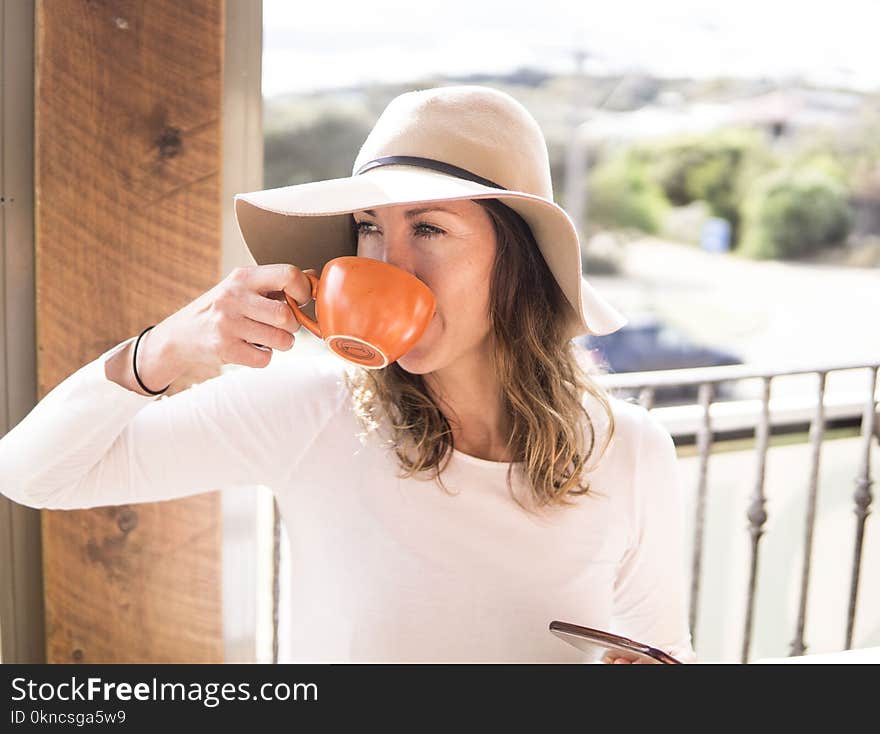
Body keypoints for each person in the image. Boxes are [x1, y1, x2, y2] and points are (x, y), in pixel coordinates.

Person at [0, 85, 696, 664]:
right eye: (369, 228)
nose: (387, 265)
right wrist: (167, 348)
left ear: (518, 263)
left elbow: (660, 650)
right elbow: (31, 475)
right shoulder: (310, 410)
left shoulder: (627, 448)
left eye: (427, 229)